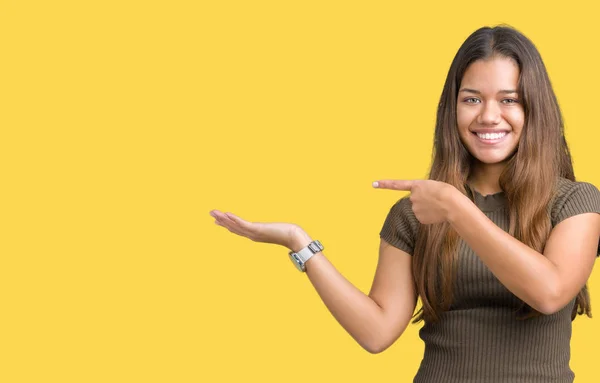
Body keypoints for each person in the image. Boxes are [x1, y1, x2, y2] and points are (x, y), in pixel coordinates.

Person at [209, 25, 600, 382]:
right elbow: (376, 332)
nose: (488, 116)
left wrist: (456, 209)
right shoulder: (417, 214)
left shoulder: (574, 202)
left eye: (509, 99)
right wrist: (299, 243)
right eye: (472, 99)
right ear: (453, 109)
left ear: (534, 108)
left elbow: (549, 291)